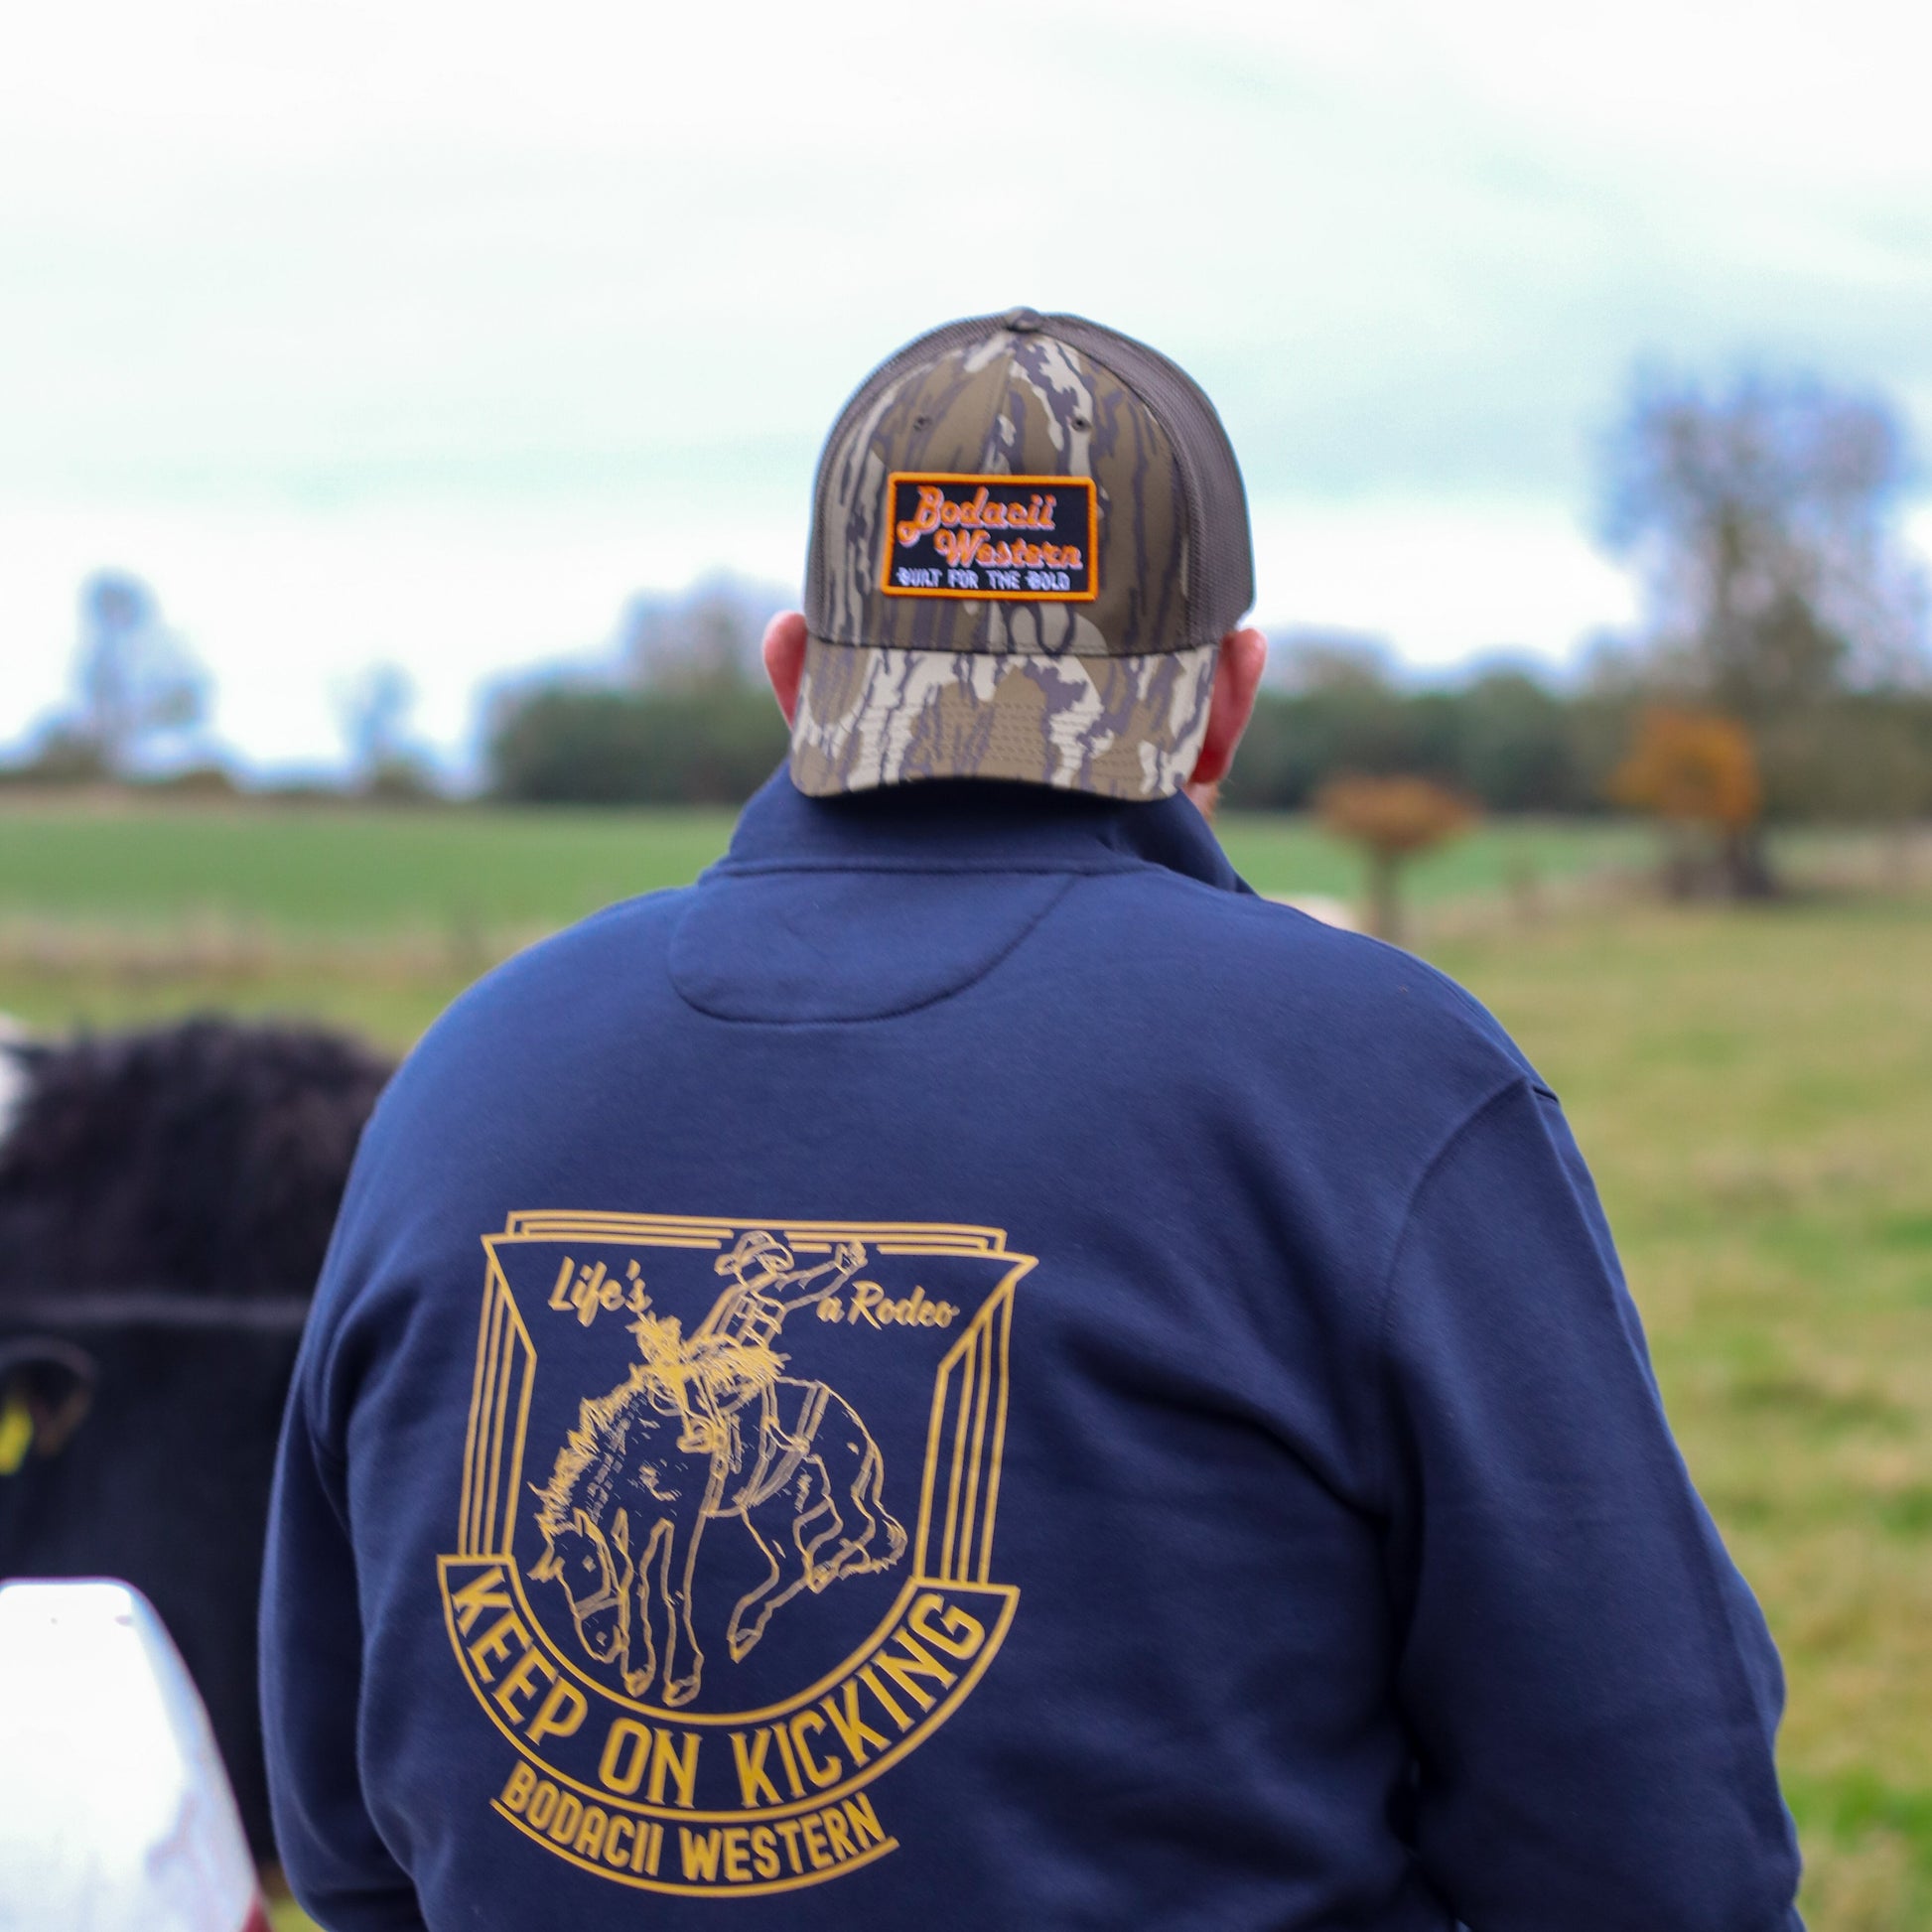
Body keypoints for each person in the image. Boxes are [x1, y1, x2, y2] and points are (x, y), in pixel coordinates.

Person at [261, 308, 1805, 1930]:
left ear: (798, 678)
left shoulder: (469, 1072)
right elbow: (1653, 1839)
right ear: (1224, 702)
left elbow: (350, 1827)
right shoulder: (1370, 1080)